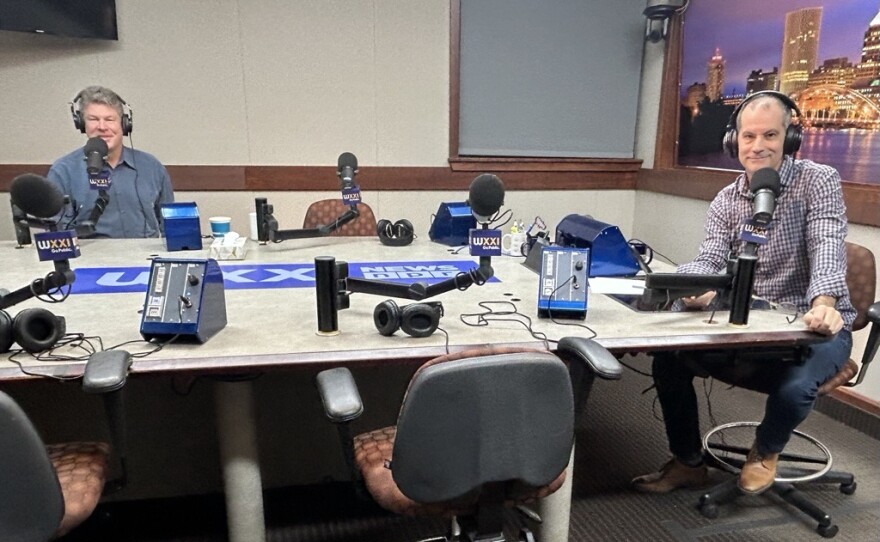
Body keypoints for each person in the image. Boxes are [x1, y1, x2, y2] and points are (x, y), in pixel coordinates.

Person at [633, 91, 855, 496]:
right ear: (734, 141)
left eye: (770, 135)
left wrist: (824, 303)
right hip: (749, 322)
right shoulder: (726, 200)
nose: (757, 146)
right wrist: (689, 286)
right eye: (749, 136)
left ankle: (765, 451)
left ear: (790, 138)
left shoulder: (817, 181)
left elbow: (827, 243)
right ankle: (687, 462)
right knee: (669, 360)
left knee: (795, 385)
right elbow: (709, 258)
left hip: (811, 324)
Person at [47, 86, 174, 238]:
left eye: (109, 119)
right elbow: (57, 235)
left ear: (124, 124)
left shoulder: (152, 167)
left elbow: (170, 226)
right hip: (90, 253)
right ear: (81, 124)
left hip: (144, 252)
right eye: (93, 119)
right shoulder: (63, 171)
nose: (102, 127)